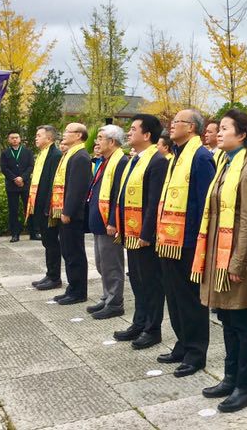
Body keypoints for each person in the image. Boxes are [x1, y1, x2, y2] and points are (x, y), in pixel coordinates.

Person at [193, 110, 247, 413]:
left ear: (242, 135)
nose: (217, 132)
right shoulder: (226, 163)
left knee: (244, 322)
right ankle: (230, 376)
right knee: (226, 318)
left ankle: (246, 386)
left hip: (240, 259)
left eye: (224, 128)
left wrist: (236, 263)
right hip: (220, 255)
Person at [156, 109, 215, 377]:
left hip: (188, 240)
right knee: (174, 295)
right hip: (169, 238)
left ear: (190, 127)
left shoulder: (201, 157)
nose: (171, 126)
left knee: (190, 300)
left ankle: (196, 352)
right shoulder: (176, 155)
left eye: (176, 122)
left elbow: (205, 203)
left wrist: (200, 240)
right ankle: (182, 343)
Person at [111, 114, 169, 348]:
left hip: (144, 237)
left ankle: (152, 329)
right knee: (136, 280)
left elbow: (154, 202)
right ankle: (139, 322)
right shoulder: (134, 160)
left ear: (147, 135)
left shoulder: (157, 161)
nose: (129, 132)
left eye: (133, 129)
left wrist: (146, 233)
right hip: (130, 233)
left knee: (151, 284)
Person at [85, 125, 128, 320]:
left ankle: (115, 302)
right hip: (98, 221)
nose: (97, 141)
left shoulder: (120, 161)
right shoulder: (105, 161)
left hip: (108, 223)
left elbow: (118, 194)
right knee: (102, 263)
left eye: (100, 138)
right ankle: (106, 296)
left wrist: (113, 221)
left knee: (112, 264)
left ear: (112, 142)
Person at [49, 123, 91, 305]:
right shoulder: (70, 154)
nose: (64, 134)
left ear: (79, 136)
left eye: (68, 132)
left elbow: (77, 188)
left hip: (72, 215)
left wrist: (68, 211)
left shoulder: (80, 156)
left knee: (75, 253)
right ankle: (72, 288)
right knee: (67, 252)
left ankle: (79, 292)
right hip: (65, 213)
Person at [28, 126, 63, 289]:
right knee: (47, 242)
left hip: (47, 207)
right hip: (39, 204)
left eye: (38, 135)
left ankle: (55, 278)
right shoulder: (43, 154)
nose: (36, 138)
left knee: (51, 242)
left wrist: (49, 206)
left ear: (49, 138)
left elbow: (53, 184)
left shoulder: (55, 155)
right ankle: (50, 274)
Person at [0, 131, 34, 242]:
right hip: (12, 185)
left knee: (28, 208)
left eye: (16, 137)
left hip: (25, 184)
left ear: (20, 139)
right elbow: (4, 168)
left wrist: (22, 178)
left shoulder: (27, 151)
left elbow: (30, 166)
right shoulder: (5, 153)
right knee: (13, 210)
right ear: (9, 140)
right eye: (12, 138)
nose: (14, 139)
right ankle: (15, 233)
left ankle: (33, 232)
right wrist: (15, 178)